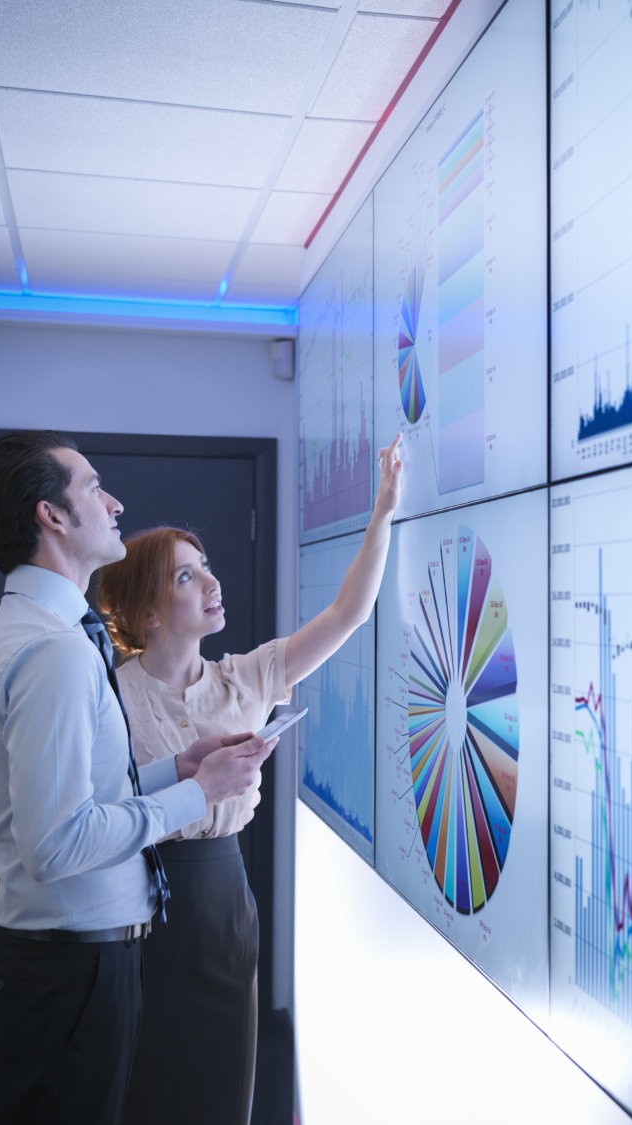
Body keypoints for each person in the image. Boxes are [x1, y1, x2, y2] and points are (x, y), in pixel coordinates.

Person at [0, 430, 277, 1125]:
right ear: (52, 516)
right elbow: (57, 842)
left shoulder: (33, 633)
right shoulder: (55, 651)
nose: (114, 501)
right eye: (93, 486)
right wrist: (198, 793)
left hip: (56, 967)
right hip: (68, 975)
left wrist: (176, 768)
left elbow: (66, 802)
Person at [94, 433, 404, 1125]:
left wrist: (382, 513)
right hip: (135, 904)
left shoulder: (248, 675)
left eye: (206, 568)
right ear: (148, 612)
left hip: (224, 902)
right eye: (185, 576)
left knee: (220, 1084)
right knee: (145, 1085)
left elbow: (348, 613)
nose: (212, 583)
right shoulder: (109, 693)